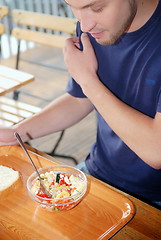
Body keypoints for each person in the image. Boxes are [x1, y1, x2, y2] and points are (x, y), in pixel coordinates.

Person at [1, 0, 161, 208]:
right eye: (72, 7)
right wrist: (18, 132)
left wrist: (88, 80)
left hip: (152, 198)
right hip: (97, 172)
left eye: (97, 8)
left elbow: (156, 152)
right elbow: (81, 99)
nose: (84, 25)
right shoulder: (94, 29)